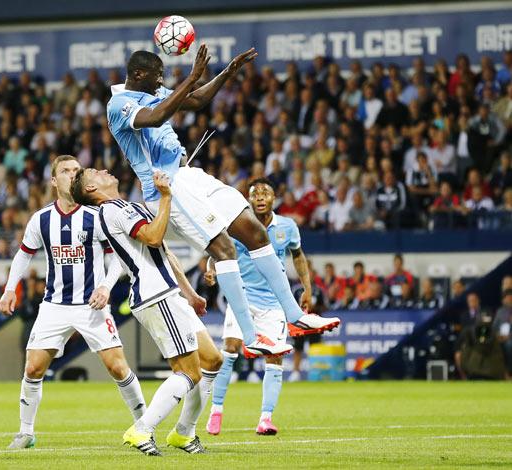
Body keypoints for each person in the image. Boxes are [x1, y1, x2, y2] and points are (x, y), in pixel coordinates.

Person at [107, 46, 339, 356]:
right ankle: (251, 335)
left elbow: (197, 100)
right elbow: (158, 116)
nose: (160, 81)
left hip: (189, 175)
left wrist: (226, 73)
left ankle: (295, 316)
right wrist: (190, 77)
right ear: (138, 75)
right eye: (156, 76)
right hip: (167, 189)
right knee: (224, 249)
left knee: (254, 231)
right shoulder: (118, 104)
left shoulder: (153, 90)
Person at [71, 167, 224, 456]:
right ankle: (142, 429)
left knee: (213, 360)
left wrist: (190, 294)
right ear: (91, 189)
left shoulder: (126, 207)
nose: (105, 170)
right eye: (96, 172)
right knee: (189, 373)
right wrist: (166, 196)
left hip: (171, 293)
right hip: (156, 294)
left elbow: (163, 251)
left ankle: (183, 434)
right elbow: (153, 237)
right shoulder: (114, 210)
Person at [0, 156, 146, 450]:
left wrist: (105, 286)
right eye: (65, 171)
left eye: (76, 171)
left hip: (91, 305)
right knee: (33, 368)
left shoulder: (96, 216)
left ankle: (145, 426)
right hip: (54, 305)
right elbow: (24, 254)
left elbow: (118, 256)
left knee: (118, 367)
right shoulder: (42, 219)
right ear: (54, 180)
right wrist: (10, 288)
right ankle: (26, 432)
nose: (71, 175)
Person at [202, 178, 322, 436]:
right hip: (242, 297)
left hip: (274, 302)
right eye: (254, 193)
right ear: (247, 199)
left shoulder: (287, 227)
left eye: (264, 193)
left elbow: (298, 255)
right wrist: (211, 270)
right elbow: (219, 250)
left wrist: (307, 287)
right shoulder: (237, 224)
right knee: (231, 349)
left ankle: (265, 418)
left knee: (275, 356)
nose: (259, 197)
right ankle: (216, 411)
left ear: (273, 198)